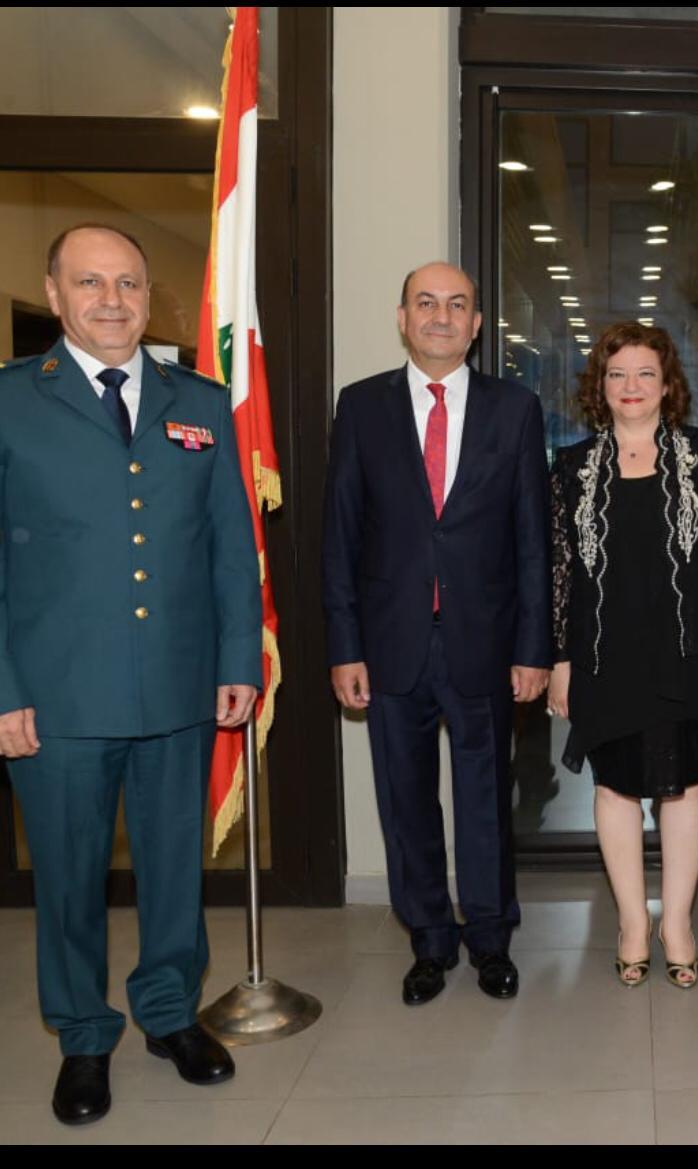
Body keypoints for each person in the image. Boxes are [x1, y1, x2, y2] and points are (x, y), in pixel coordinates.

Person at [0, 224, 262, 1125]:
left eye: (128, 284)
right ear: (55, 292)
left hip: (178, 687)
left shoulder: (201, 402)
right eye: (90, 283)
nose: (111, 301)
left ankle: (169, 1013)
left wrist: (237, 659)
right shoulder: (11, 401)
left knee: (173, 868)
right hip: (57, 698)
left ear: (151, 298)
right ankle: (82, 1035)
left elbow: (230, 545)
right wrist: (3, 688)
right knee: (69, 878)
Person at [323, 262, 550, 1006]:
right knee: (405, 800)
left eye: (457, 305)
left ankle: (489, 937)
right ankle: (428, 938)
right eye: (426, 303)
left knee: (485, 799)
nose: (441, 316)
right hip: (389, 644)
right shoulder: (361, 407)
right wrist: (345, 646)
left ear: (477, 324)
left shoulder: (515, 409)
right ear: (403, 318)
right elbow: (340, 537)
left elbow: (532, 542)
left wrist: (533, 649)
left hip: (484, 642)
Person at [548, 322, 698, 989]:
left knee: (686, 790)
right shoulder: (572, 467)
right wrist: (559, 660)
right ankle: (633, 923)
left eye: (644, 374)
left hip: (690, 655)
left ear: (668, 385)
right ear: (599, 386)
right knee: (614, 789)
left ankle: (678, 925)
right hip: (604, 657)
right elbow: (559, 573)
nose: (630, 386)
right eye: (617, 374)